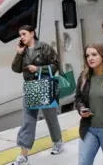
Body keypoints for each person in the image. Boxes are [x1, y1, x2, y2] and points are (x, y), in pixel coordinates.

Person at [11, 25, 64, 165]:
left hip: (45, 85)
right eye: (20, 34)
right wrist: (19, 53)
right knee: (28, 120)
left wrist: (38, 69)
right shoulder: (23, 51)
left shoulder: (44, 47)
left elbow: (56, 65)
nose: (21, 37)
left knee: (50, 116)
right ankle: (23, 154)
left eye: (24, 34)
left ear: (32, 33)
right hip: (30, 87)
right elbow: (15, 69)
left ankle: (58, 142)